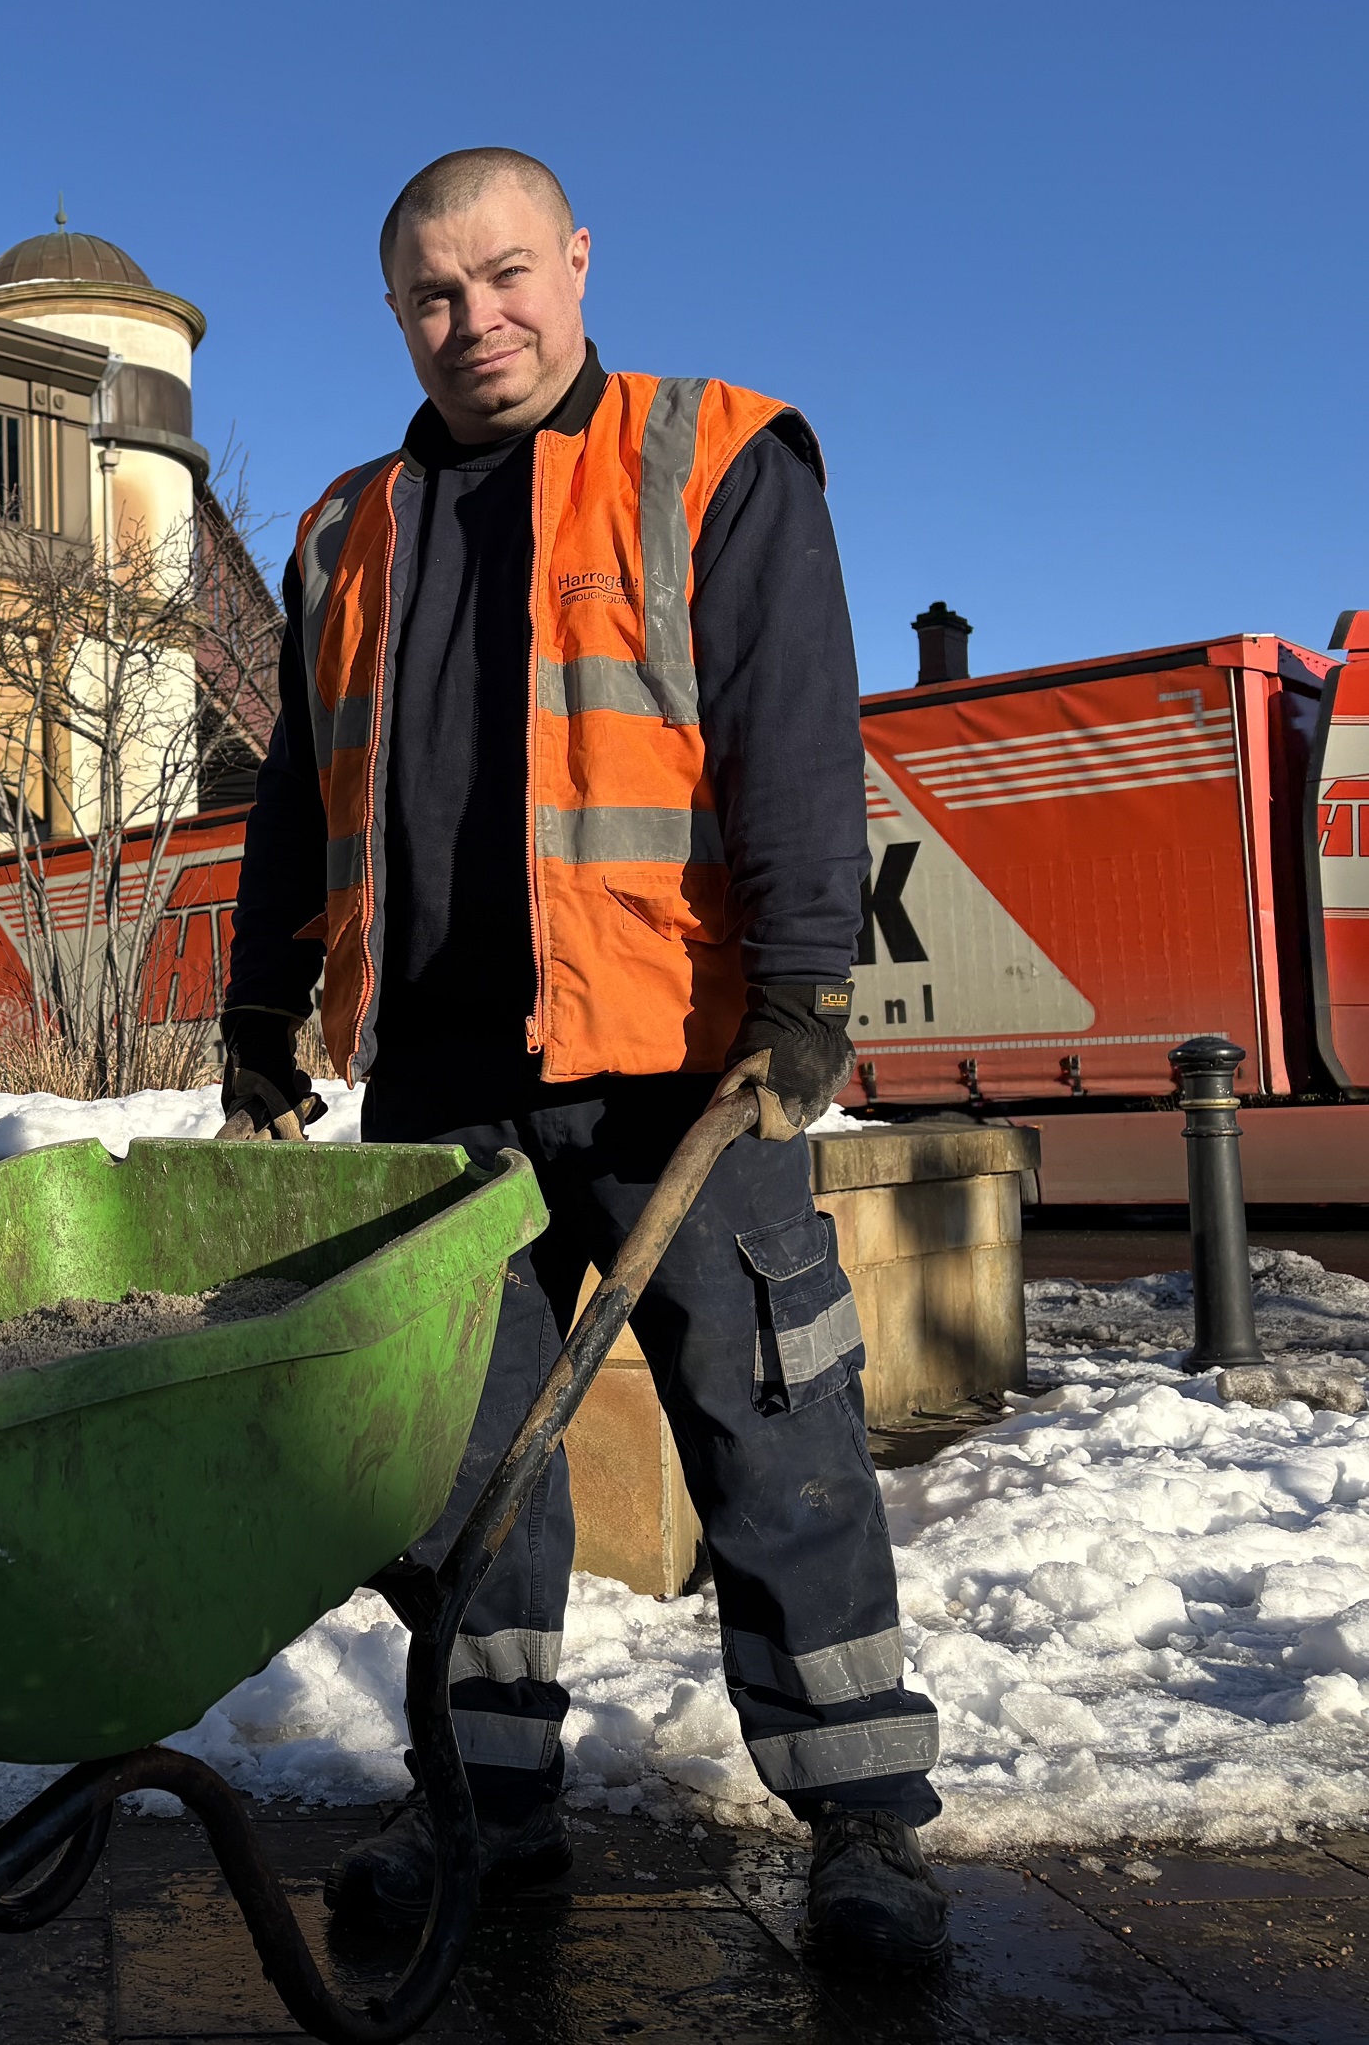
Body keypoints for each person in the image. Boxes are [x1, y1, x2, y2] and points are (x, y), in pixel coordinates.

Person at [219, 148, 948, 1964]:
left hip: (681, 1066)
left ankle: (863, 1822)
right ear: (396, 313)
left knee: (774, 1428)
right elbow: (298, 808)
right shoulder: (340, 531)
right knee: (467, 1467)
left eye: (510, 275)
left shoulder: (714, 456)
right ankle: (486, 1804)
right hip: (444, 1082)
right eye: (435, 296)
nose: (479, 323)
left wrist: (803, 995)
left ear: (578, 260)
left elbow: (792, 740)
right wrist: (261, 1006)